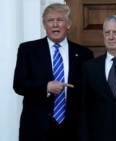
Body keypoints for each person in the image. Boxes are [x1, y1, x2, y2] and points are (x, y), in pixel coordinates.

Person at [13, 3, 94, 141]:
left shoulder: (84, 54)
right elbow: (19, 84)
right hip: (37, 128)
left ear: (68, 24)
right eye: (50, 20)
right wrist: (46, 87)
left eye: (60, 20)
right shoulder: (28, 50)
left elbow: (89, 92)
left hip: (72, 129)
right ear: (44, 25)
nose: (55, 24)